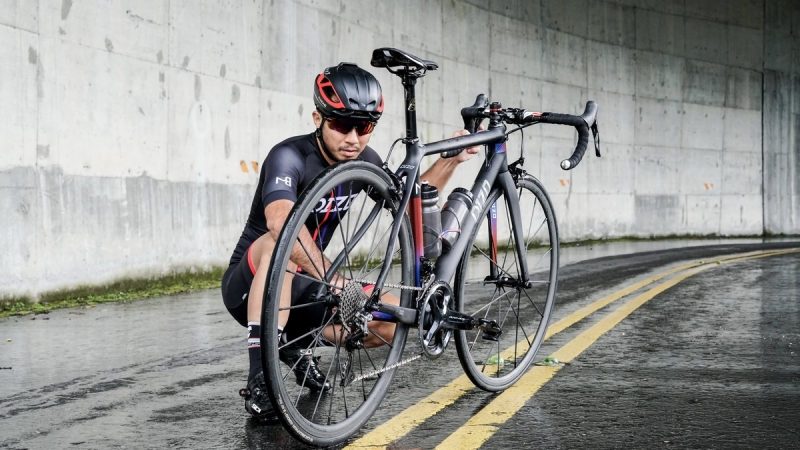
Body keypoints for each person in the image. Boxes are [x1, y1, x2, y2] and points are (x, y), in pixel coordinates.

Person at [221, 62, 480, 420]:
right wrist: (337, 282)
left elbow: (408, 205)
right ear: (318, 118)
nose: (353, 139)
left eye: (365, 127)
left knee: (394, 319)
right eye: (342, 125)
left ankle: (293, 343)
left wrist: (450, 161)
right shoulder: (290, 156)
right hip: (251, 286)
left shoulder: (364, 160)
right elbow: (280, 222)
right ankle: (260, 379)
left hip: (308, 287)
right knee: (282, 241)